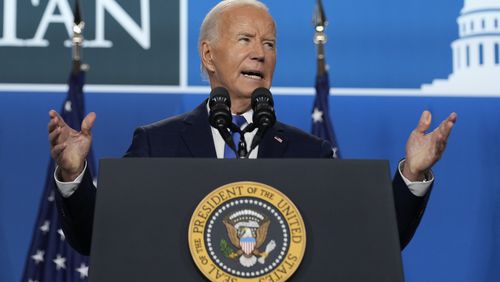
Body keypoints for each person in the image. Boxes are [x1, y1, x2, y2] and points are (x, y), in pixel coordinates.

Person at [48, 0, 457, 256]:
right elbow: (96, 240)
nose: (260, 54)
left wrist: (412, 175)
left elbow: (368, 240)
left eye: (270, 44)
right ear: (209, 55)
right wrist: (73, 175)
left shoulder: (310, 153)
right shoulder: (158, 143)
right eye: (246, 39)